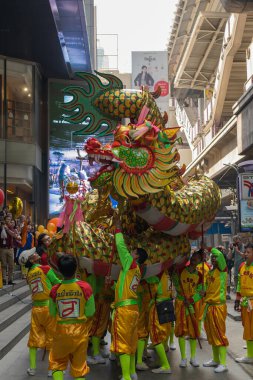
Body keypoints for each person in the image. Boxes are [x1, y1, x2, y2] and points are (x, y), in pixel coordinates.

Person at [110, 214, 148, 380]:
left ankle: (125, 376)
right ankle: (132, 372)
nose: (130, 252)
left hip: (124, 311)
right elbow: (123, 285)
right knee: (132, 342)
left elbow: (120, 245)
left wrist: (118, 228)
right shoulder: (137, 270)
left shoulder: (130, 263)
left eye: (133, 251)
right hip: (133, 308)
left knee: (124, 343)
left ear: (137, 256)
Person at [49, 254, 95, 380]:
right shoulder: (85, 287)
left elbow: (52, 313)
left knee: (57, 364)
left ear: (59, 270)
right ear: (76, 269)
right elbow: (91, 312)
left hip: (61, 332)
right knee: (79, 367)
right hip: (80, 332)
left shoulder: (54, 290)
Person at [18, 247, 61, 376]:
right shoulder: (45, 269)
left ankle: (32, 368)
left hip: (36, 310)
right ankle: (51, 369)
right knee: (51, 337)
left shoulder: (29, 274)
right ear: (32, 259)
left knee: (34, 338)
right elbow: (57, 283)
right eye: (34, 254)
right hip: (49, 308)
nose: (36, 253)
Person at [173, 251, 203, 368]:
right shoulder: (180, 271)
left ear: (200, 261)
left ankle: (193, 357)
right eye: (194, 257)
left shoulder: (200, 275)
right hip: (180, 303)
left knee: (193, 331)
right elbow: (176, 283)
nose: (195, 259)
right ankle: (183, 358)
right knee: (181, 330)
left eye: (198, 258)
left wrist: (191, 300)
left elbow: (200, 292)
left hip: (192, 305)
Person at [202, 248, 229, 373]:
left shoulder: (223, 270)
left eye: (216, 257)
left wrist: (208, 248)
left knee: (219, 334)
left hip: (218, 307)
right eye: (212, 256)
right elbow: (206, 290)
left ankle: (223, 364)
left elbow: (219, 256)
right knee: (211, 335)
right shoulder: (209, 273)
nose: (213, 258)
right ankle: (215, 360)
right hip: (209, 307)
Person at [148, 271, 173, 374]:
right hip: (168, 305)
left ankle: (165, 365)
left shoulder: (157, 274)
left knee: (156, 337)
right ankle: (160, 361)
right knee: (162, 336)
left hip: (158, 307)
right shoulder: (169, 274)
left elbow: (154, 291)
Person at [235, 243, 253, 364]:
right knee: (247, 329)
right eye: (245, 252)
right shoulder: (241, 266)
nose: (245, 254)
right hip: (245, 302)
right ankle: (250, 355)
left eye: (248, 252)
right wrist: (237, 299)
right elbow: (239, 284)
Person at [0, 215, 17, 285]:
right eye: (7, 219)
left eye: (9, 219)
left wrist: (7, 229)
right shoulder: (0, 227)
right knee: (3, 265)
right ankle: (4, 279)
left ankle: (10, 280)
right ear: (4, 220)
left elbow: (14, 235)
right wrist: (2, 227)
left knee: (11, 265)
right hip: (2, 248)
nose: (8, 220)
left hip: (10, 249)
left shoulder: (11, 227)